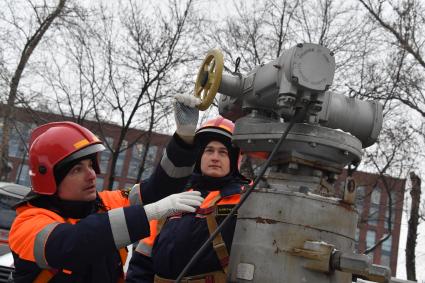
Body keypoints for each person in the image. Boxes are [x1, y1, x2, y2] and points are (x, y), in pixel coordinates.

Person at [8, 95, 205, 282]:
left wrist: (184, 140)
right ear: (51, 178)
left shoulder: (104, 204)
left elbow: (157, 191)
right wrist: (148, 213)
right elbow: (74, 243)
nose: (92, 174)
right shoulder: (27, 224)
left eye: (91, 166)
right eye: (77, 169)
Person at [126, 116, 251, 283]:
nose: (215, 157)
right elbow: (142, 260)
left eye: (223, 152)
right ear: (199, 157)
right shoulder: (174, 197)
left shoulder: (247, 200)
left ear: (234, 159)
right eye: (209, 150)